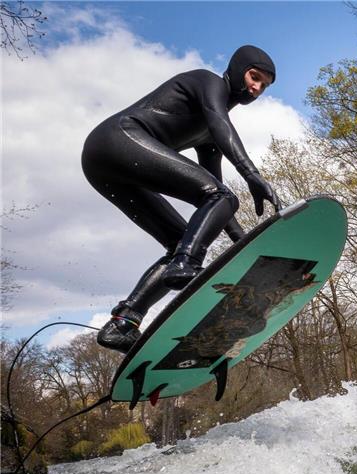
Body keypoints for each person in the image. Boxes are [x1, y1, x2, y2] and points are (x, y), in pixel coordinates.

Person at [83, 45, 280, 352]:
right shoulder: (208, 82)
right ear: (238, 68)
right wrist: (252, 175)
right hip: (116, 139)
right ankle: (185, 264)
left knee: (183, 238)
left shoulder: (212, 133)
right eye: (254, 77)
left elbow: (214, 193)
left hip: (104, 168)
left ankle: (124, 322)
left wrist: (242, 242)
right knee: (216, 204)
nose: (256, 88)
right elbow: (219, 123)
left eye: (264, 86)